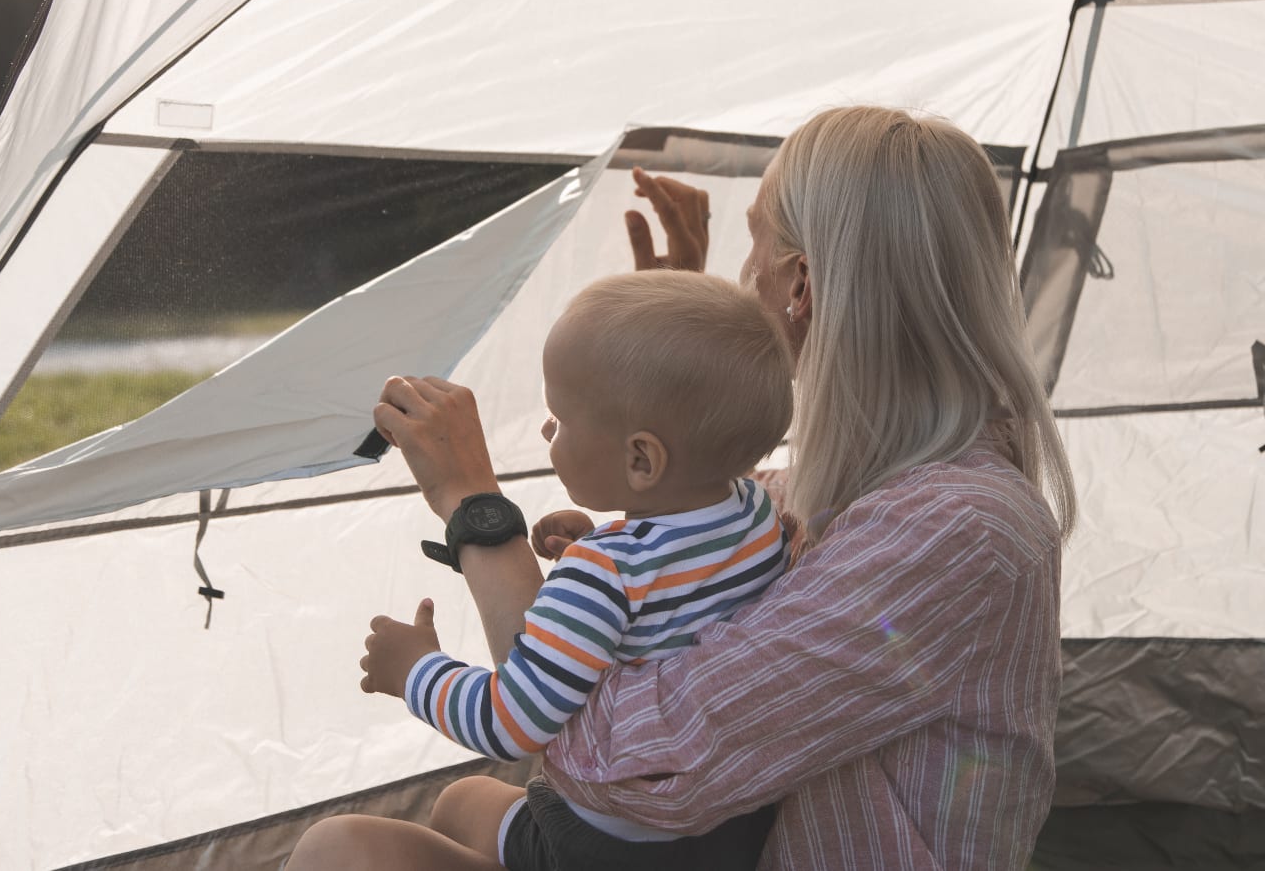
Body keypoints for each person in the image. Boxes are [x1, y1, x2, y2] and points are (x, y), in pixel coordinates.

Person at [299, 104, 1075, 871]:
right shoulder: (885, 480)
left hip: (680, 827)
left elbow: (639, 771)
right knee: (459, 803)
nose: (745, 277)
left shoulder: (952, 533)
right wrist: (676, 360)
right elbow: (701, 513)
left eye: (755, 249)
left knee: (341, 853)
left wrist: (477, 511)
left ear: (799, 285)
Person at [288, 271, 795, 871]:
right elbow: (683, 589)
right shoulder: (754, 509)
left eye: (560, 417)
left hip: (607, 849)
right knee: (460, 797)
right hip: (728, 835)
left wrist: (416, 671)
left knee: (335, 846)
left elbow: (514, 722)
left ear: (641, 459)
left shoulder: (603, 572)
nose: (546, 428)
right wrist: (608, 545)